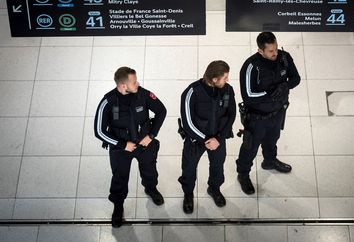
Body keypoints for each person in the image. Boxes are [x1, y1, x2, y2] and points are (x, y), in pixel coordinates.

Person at [94, 66, 167, 227]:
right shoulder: (108, 101)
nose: (138, 83)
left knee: (150, 169)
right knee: (119, 178)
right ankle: (118, 206)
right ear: (123, 86)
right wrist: (122, 144)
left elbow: (161, 111)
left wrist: (151, 135)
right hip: (121, 149)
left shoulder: (143, 94)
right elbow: (98, 131)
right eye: (134, 82)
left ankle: (151, 189)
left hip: (144, 144)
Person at [236, 32, 301, 195]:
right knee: (250, 148)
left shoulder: (284, 57)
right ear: (260, 51)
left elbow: (296, 78)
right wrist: (272, 94)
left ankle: (270, 161)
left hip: (278, 113)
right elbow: (248, 96)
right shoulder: (250, 67)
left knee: (272, 140)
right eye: (271, 51)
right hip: (256, 118)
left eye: (276, 48)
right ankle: (243, 174)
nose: (275, 53)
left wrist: (285, 87)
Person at [178, 60, 236, 214]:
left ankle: (214, 189)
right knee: (189, 168)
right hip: (195, 140)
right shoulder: (191, 92)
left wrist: (218, 138)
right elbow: (187, 122)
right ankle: (188, 194)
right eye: (225, 78)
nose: (227, 80)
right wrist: (205, 140)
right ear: (214, 79)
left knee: (218, 166)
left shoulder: (228, 90)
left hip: (218, 139)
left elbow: (231, 115)